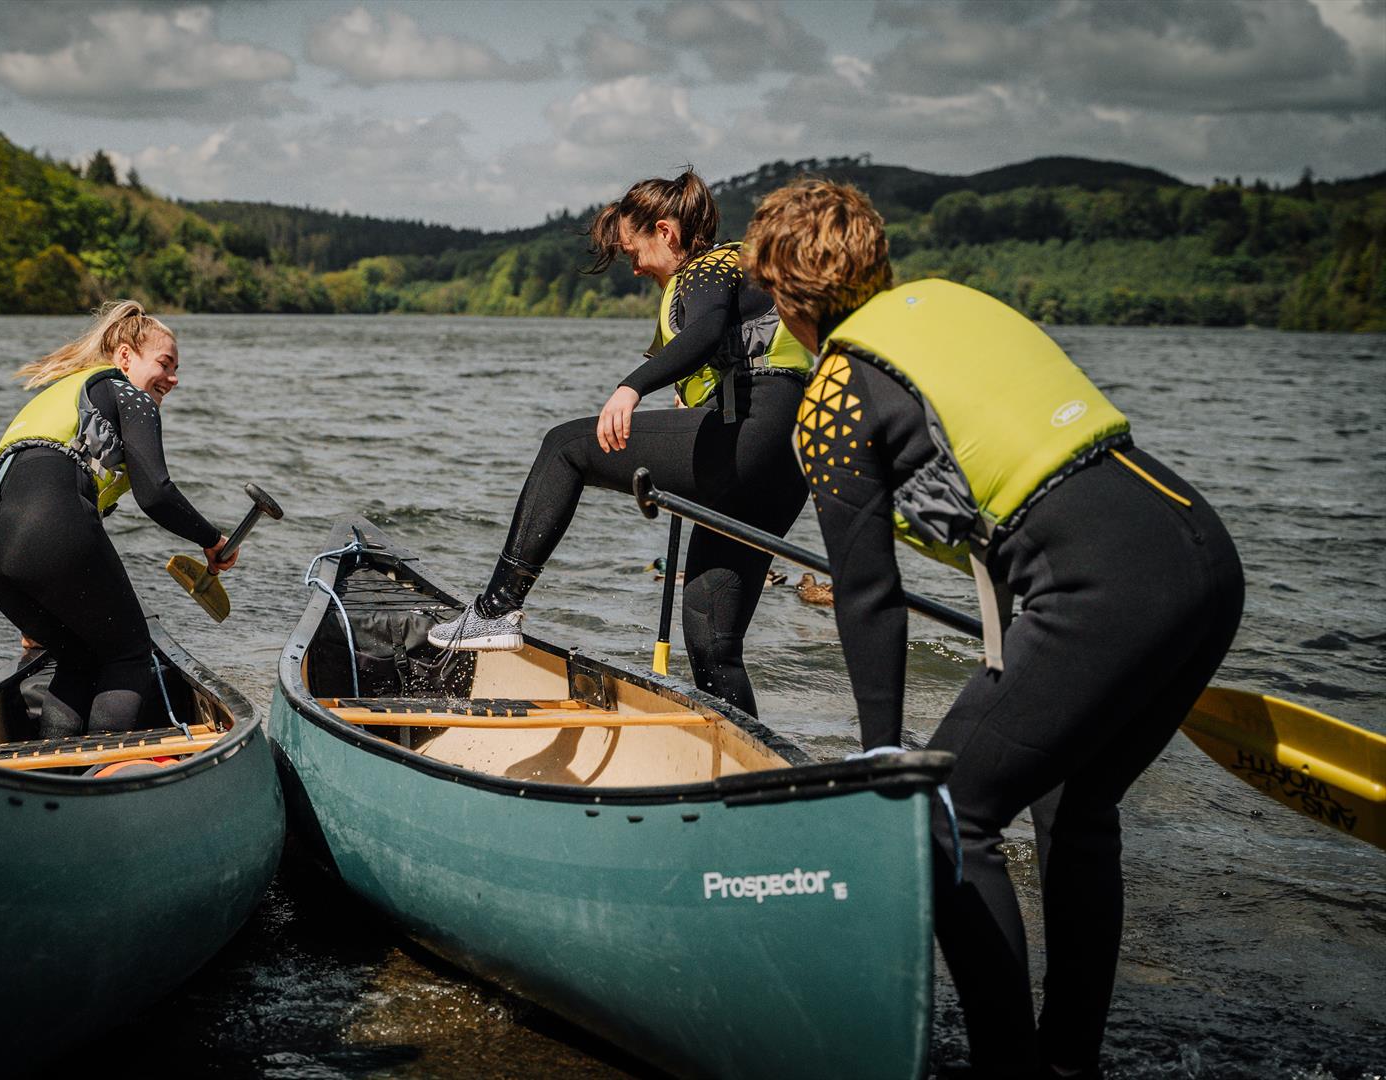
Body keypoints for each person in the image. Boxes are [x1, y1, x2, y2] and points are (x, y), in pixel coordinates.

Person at [743, 179, 1244, 1077]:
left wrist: (883, 764)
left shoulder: (833, 398)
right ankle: (1067, 1063)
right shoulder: (950, 302)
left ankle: (1010, 1070)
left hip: (1096, 586)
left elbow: (867, 594)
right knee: (1075, 804)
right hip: (1200, 551)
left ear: (784, 296)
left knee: (948, 818)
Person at [429, 169, 811, 716]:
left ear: (667, 231)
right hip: (784, 467)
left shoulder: (705, 268)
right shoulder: (741, 269)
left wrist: (631, 387)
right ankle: (755, 765)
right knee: (713, 646)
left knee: (565, 446)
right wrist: (694, 400)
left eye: (635, 251)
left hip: (749, 438)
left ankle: (495, 609)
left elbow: (703, 336)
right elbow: (732, 348)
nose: (634, 267)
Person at [0, 301, 231, 737]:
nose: (174, 378)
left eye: (177, 368)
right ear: (125, 357)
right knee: (127, 654)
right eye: (164, 363)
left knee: (78, 655)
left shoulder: (69, 389)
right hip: (46, 527)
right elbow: (157, 494)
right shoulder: (128, 393)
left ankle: (60, 771)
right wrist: (212, 539)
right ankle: (102, 774)